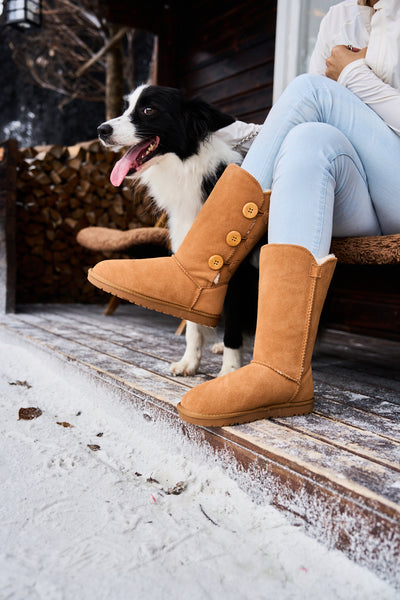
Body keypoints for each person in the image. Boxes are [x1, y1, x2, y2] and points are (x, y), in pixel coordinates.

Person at [88, 0, 400, 427]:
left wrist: (352, 74)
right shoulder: (339, 18)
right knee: (308, 138)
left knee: (311, 91)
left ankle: (198, 268)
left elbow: (319, 94)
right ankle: (280, 371)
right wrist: (228, 127)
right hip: (354, 193)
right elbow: (311, 117)